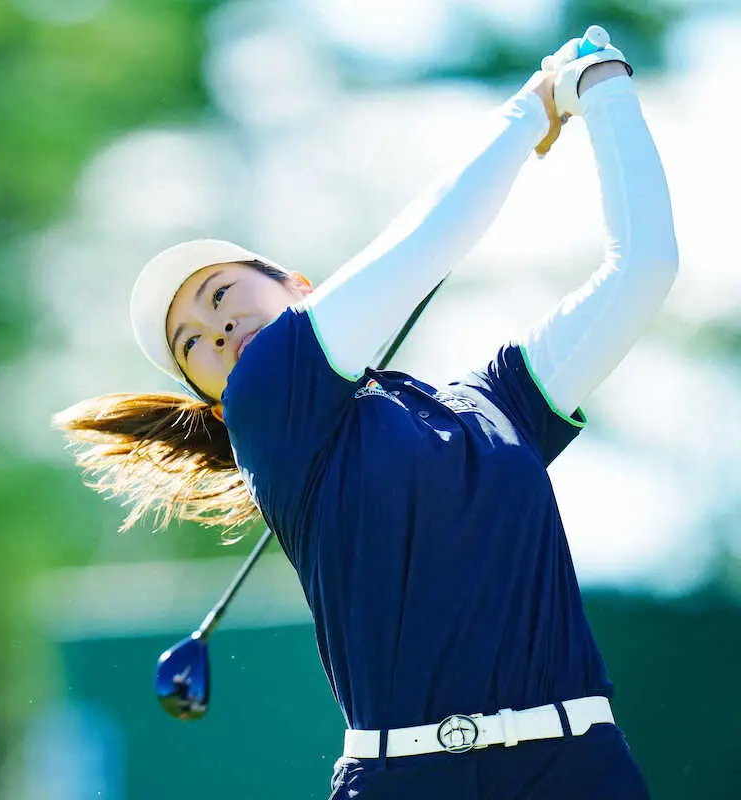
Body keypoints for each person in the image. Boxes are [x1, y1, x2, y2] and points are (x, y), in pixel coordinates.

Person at [55, 28, 675, 799]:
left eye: (222, 296)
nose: (218, 331)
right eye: (195, 343)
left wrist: (606, 86)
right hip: (408, 776)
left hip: (578, 768)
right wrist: (535, 105)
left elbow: (644, 268)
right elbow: (431, 239)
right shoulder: (265, 405)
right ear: (216, 398)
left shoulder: (496, 406)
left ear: (300, 286)